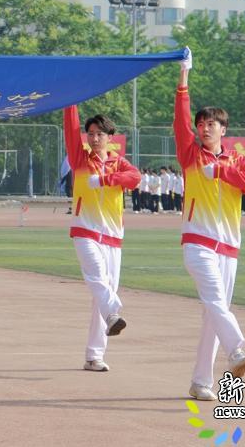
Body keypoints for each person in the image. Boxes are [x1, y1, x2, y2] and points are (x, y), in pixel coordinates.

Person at [174, 49, 245, 401]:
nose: (204, 126)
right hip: (197, 242)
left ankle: (200, 382)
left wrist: (225, 171)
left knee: (213, 314)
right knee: (215, 300)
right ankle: (238, 352)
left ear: (224, 129)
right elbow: (180, 120)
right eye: (201, 123)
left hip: (229, 247)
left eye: (211, 123)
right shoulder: (190, 154)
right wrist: (184, 78)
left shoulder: (238, 160)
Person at [62, 104, 140, 373]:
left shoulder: (120, 163)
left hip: (113, 237)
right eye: (90, 134)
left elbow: (134, 178)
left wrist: (106, 179)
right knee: (97, 278)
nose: (94, 139)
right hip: (85, 229)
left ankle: (94, 355)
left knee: (102, 294)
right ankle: (114, 312)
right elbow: (70, 132)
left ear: (110, 137)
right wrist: (70, 101)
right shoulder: (80, 158)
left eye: (100, 134)